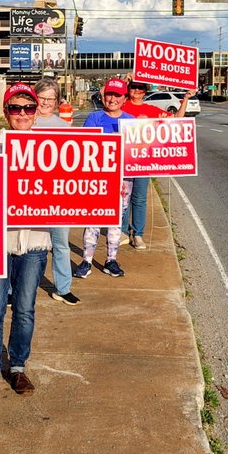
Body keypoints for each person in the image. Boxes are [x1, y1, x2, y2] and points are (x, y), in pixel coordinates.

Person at [0, 83, 53, 404]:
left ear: (37, 112)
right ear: (6, 111)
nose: (22, 114)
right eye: (15, 108)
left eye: (28, 108)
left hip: (34, 240)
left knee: (24, 309)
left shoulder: (52, 146)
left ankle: (18, 366)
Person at [118, 80, 190, 250]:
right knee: (123, 198)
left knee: (140, 197)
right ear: (128, 89)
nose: (136, 90)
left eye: (140, 87)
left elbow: (177, 120)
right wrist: (125, 80)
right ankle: (121, 231)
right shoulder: (121, 106)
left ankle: (137, 234)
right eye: (133, 86)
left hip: (144, 160)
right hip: (124, 159)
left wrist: (185, 98)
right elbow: (107, 94)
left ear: (145, 91)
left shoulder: (151, 110)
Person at [76, 77, 133, 278]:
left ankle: (111, 260)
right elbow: (86, 147)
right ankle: (86, 261)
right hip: (97, 178)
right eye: (109, 94)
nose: (112, 99)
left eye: (117, 95)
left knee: (115, 221)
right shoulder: (94, 118)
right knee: (93, 219)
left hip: (123, 179)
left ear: (124, 98)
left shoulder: (131, 122)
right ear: (103, 95)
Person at [31, 78, 78, 306]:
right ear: (35, 97)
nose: (46, 103)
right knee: (22, 246)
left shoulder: (64, 126)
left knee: (61, 243)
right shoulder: (25, 121)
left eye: (51, 99)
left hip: (58, 195)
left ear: (57, 101)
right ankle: (12, 290)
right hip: (29, 194)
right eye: (42, 98)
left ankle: (63, 287)